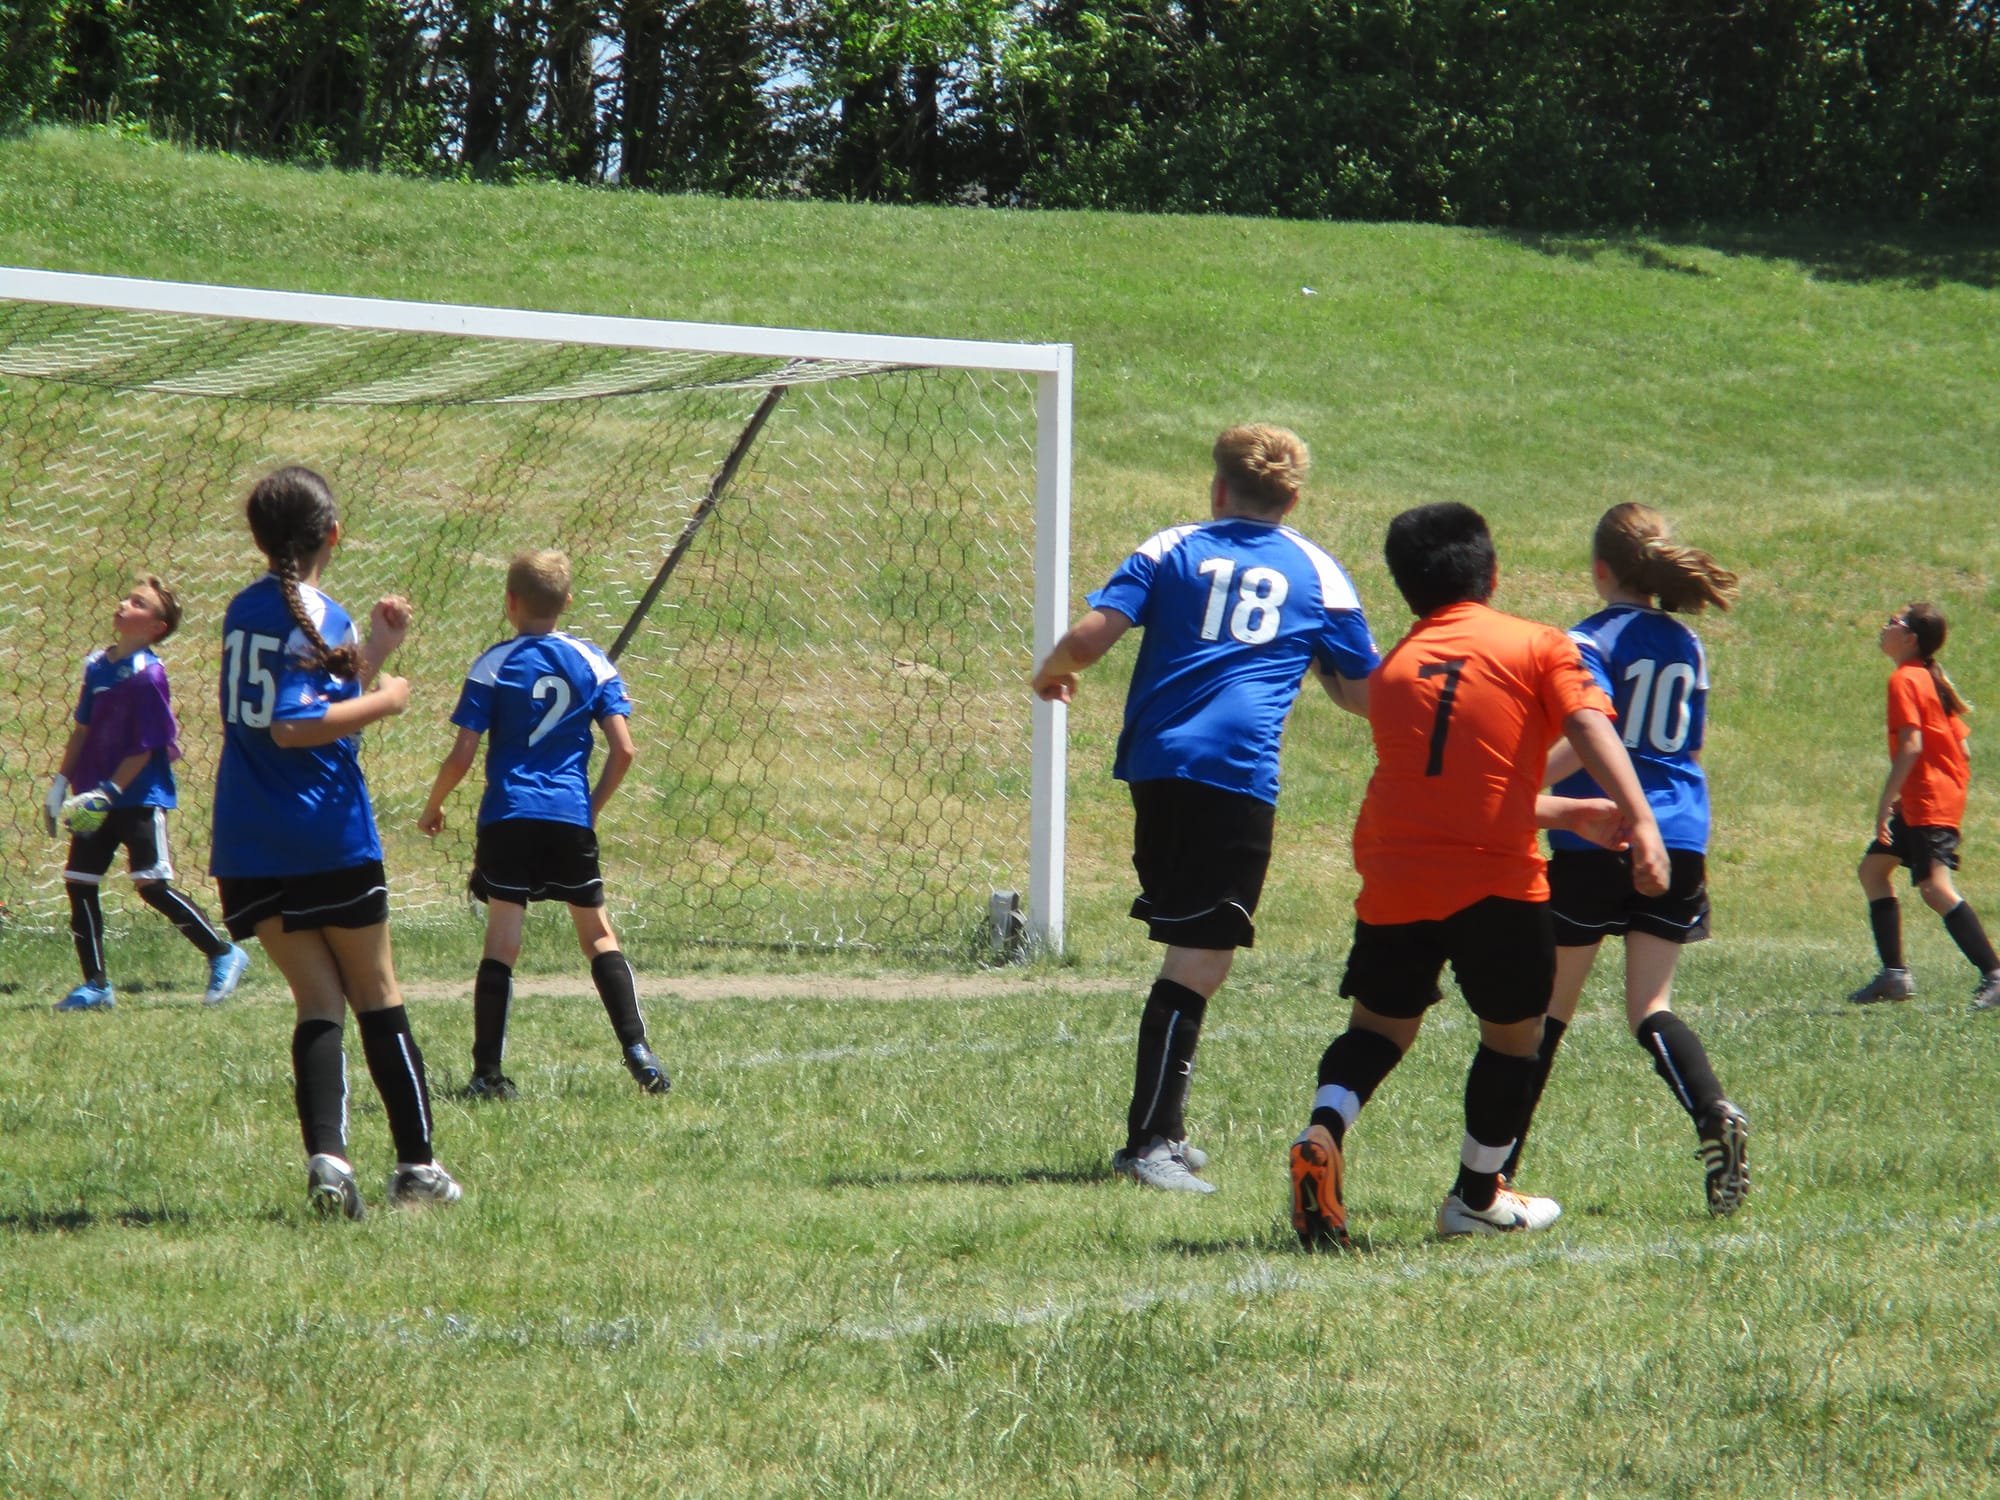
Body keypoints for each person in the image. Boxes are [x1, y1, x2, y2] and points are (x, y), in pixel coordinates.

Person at [1288, 501, 1670, 1249]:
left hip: (1396, 867)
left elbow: (1455, 792)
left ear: (1407, 588)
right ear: (1492, 574)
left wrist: (1564, 813)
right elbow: (1588, 724)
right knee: (1515, 1038)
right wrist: (1640, 817)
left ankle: (1323, 1129)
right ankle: (1476, 1196)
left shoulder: (1397, 669)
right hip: (1496, 879)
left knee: (1378, 1028)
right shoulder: (1536, 644)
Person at [1032, 424, 1379, 1193]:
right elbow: (1364, 692)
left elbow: (1089, 638)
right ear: (1292, 500)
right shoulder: (1319, 572)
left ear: (1219, 488)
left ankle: (1168, 1128)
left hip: (1156, 767)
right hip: (1232, 775)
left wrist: (1053, 671)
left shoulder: (1171, 546)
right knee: (1200, 959)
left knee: (1193, 947)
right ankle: (1148, 1142)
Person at [210, 466, 461, 1220]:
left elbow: (312, 693)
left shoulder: (242, 610)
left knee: (318, 1000)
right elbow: (296, 725)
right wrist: (387, 699)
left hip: (250, 839)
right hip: (326, 831)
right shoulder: (320, 613)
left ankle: (329, 1162)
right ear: (333, 535)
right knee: (376, 992)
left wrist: (375, 648)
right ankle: (416, 1169)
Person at [1506, 503, 1749, 1216]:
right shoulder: (1687, 643)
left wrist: (1519, 785)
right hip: (1680, 835)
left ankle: (1494, 1173)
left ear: (1600, 568)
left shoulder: (1588, 640)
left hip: (1600, 832)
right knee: (1650, 1008)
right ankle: (1712, 1110)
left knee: (1546, 1015)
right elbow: (1689, 746)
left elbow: (1594, 728)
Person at [417, 548, 668, 1099]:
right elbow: (624, 750)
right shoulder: (592, 661)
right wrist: (588, 808)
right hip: (567, 816)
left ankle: (487, 1073)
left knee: (502, 943)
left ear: (509, 602)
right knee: (598, 935)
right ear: (568, 602)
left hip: (508, 814)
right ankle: (639, 1052)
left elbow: (462, 754)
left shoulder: (494, 664)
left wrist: (433, 806)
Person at [44, 575, 249, 1012]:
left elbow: (148, 743)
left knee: (151, 885)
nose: (124, 604)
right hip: (93, 798)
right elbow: (81, 730)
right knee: (79, 883)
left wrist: (110, 791)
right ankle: (96, 985)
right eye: (127, 597)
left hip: (138, 796)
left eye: (138, 602)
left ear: (157, 627)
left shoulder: (149, 675)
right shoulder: (97, 666)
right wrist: (61, 783)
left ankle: (222, 952)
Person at [1846, 602, 2000, 1011]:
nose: (1885, 626)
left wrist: (1886, 801)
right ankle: (1894, 975)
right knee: (1873, 870)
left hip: (1929, 800)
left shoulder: (1905, 679)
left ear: (1910, 639)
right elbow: (1962, 748)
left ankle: (1995, 974)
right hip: (1925, 798)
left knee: (1935, 888)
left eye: (1893, 622)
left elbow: (1912, 746)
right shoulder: (1929, 677)